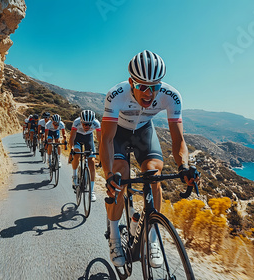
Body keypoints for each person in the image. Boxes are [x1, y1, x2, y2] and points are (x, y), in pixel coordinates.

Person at [99, 50, 199, 267]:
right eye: (142, 86)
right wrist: (108, 175)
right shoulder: (116, 95)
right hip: (119, 134)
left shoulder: (171, 96)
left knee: (154, 175)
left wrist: (184, 166)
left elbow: (178, 140)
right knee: (120, 175)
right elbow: (106, 139)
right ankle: (115, 235)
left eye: (154, 87)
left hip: (145, 132)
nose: (148, 93)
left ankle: (152, 237)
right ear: (131, 82)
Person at [69, 110, 101, 202]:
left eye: (89, 124)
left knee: (92, 162)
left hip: (88, 138)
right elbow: (72, 137)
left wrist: (101, 153)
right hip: (77, 138)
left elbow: (100, 140)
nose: (87, 126)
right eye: (84, 124)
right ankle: (74, 176)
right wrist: (71, 150)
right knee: (77, 153)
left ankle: (91, 191)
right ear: (81, 122)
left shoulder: (97, 123)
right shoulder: (76, 122)